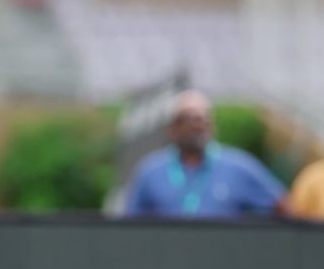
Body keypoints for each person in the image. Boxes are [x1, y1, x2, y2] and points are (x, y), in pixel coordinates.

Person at [121, 90, 286, 219]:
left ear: (212, 126)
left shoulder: (240, 167)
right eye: (186, 119)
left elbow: (283, 208)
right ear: (171, 129)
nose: (196, 125)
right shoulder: (150, 171)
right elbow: (131, 224)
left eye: (202, 119)